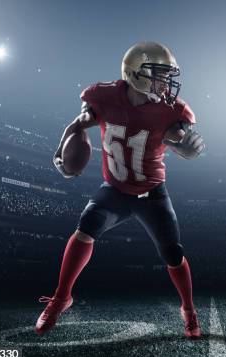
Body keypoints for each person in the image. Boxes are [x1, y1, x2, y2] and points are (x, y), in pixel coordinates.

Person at [35, 42, 205, 338]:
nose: (166, 82)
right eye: (159, 74)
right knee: (84, 229)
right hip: (114, 190)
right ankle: (62, 298)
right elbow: (79, 123)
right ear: (136, 73)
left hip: (152, 194)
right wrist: (62, 150)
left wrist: (185, 148)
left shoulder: (168, 110)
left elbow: (176, 137)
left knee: (173, 254)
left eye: (167, 75)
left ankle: (188, 310)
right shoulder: (104, 96)